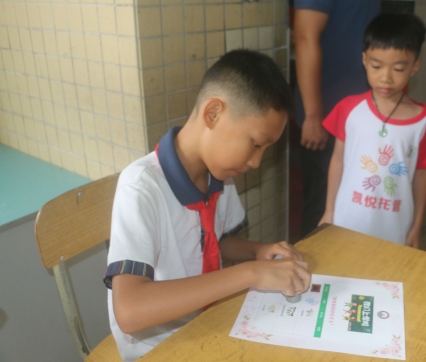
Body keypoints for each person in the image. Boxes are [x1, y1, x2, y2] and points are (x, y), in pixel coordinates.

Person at [104, 50, 312, 361]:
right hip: (159, 348)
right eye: (256, 144)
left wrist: (258, 252)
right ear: (213, 113)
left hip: (210, 323)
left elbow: (217, 241)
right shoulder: (141, 187)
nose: (256, 162)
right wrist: (250, 273)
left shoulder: (220, 174)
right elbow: (130, 311)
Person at [317, 13, 426, 247]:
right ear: (364, 60)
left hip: (395, 227)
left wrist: (416, 226)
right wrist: (329, 210)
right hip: (347, 220)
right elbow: (337, 160)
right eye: (376, 66)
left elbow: (422, 175)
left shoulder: (422, 120)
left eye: (398, 69)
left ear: (414, 67)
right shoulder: (348, 109)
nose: (385, 78)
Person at [293, 0, 381, 237]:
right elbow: (305, 36)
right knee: (324, 212)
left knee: (354, 206)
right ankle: (309, 266)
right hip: (327, 118)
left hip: (360, 114)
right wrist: (313, 115)